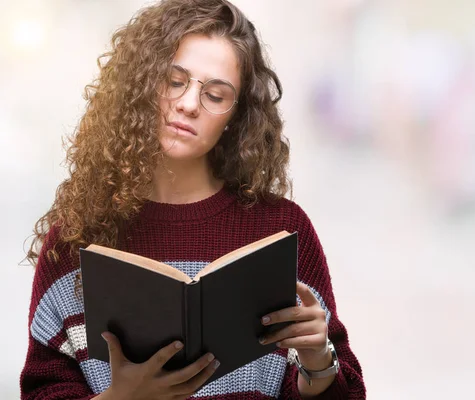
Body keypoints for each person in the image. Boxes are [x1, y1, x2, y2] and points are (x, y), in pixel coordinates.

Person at [19, 0, 365, 399]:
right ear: (140, 82)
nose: (187, 104)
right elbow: (43, 390)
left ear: (236, 116)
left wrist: (318, 361)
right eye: (173, 80)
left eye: (215, 95)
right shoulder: (74, 239)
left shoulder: (282, 231)